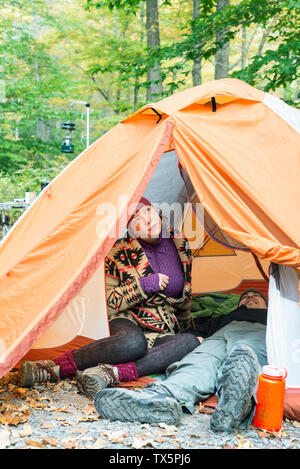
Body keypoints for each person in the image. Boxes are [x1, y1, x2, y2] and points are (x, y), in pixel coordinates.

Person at [20, 197, 200, 396]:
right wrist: (142, 286)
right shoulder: (117, 252)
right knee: (133, 343)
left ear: (155, 210)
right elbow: (107, 303)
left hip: (162, 328)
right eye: (137, 219)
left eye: (147, 211)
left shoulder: (180, 243)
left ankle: (110, 373)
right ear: (129, 230)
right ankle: (52, 368)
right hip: (127, 320)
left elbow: (185, 298)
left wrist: (187, 328)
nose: (148, 220)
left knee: (190, 343)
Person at [93, 289, 269, 432]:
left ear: (267, 303)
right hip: (218, 336)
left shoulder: (274, 316)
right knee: (199, 362)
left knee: (245, 356)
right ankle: (163, 396)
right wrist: (197, 338)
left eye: (256, 296)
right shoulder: (223, 318)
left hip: (258, 332)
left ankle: (234, 405)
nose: (249, 298)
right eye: (245, 296)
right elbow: (194, 331)